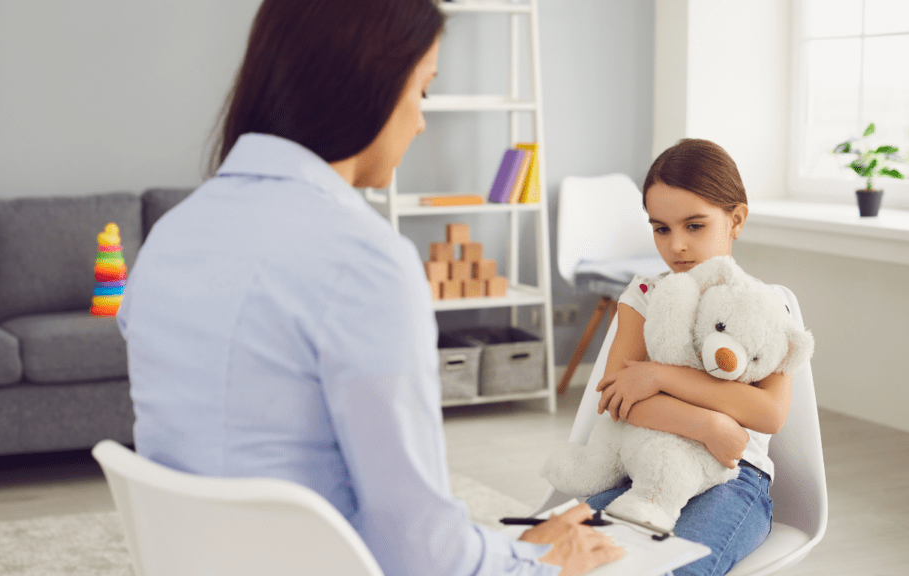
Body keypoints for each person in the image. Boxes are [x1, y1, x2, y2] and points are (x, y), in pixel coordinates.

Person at [117, 1, 622, 574]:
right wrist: (541, 565)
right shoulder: (363, 261)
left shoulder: (171, 236)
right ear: (372, 85)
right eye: (423, 91)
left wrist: (510, 550)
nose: (422, 120)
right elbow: (419, 555)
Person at [586, 138, 791, 576]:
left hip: (734, 478)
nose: (675, 245)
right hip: (640, 470)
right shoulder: (643, 295)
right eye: (661, 228)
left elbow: (769, 413)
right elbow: (619, 399)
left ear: (735, 220)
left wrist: (659, 376)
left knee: (676, 569)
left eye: (694, 226)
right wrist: (710, 423)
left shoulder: (768, 305)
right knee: (570, 556)